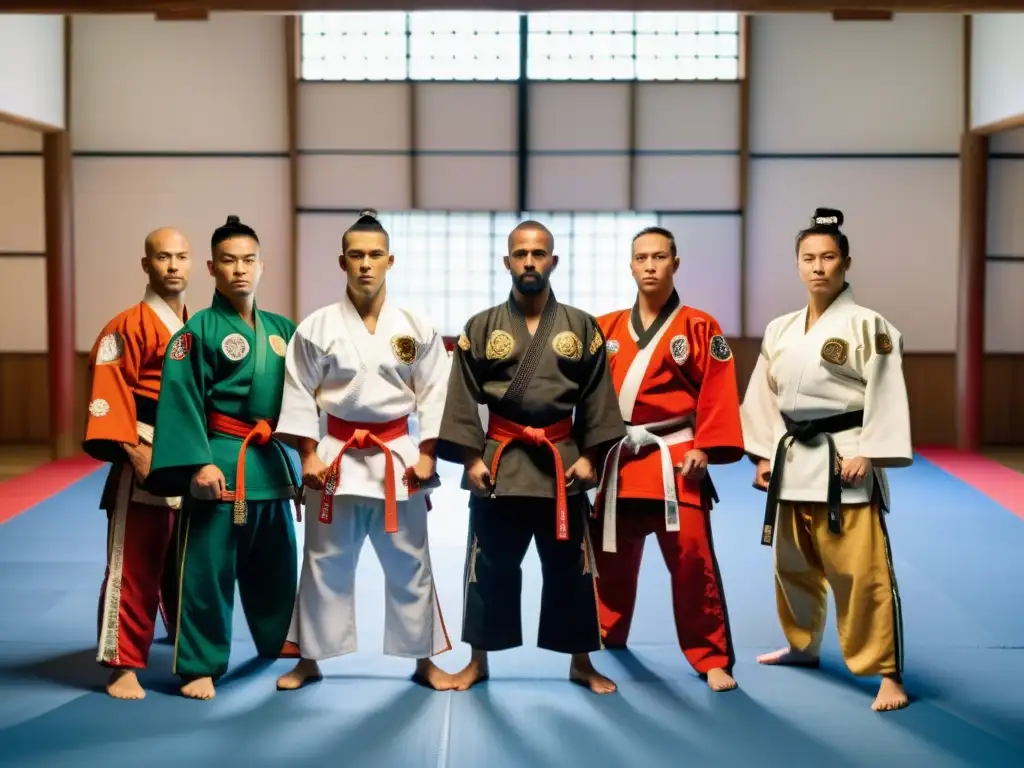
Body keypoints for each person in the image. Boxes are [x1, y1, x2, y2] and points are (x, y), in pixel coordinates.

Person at [436, 220, 627, 694]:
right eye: (520, 254)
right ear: (507, 262)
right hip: (500, 463)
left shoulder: (582, 326)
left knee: (572, 567)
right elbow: (460, 397)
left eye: (538, 254)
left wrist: (590, 457)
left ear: (552, 262)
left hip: (562, 464)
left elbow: (599, 399)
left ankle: (581, 661)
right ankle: (478, 661)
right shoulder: (480, 326)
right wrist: (470, 459)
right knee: (487, 565)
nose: (529, 262)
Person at [274, 210, 455, 692]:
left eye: (375, 255)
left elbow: (437, 392)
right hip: (335, 456)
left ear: (390, 260)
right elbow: (296, 392)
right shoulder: (317, 326)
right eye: (357, 255)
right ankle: (309, 659)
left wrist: (428, 455)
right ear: (343, 261)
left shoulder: (415, 325)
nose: (366, 265)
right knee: (322, 562)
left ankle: (425, 661)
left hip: (397, 456)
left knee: (411, 563)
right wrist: (307, 456)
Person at [740, 207, 913, 712]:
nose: (818, 267)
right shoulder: (780, 329)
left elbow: (886, 390)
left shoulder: (869, 325)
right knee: (792, 564)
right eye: (809, 258)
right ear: (797, 265)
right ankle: (802, 644)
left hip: (845, 462)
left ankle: (887, 673)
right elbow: (764, 396)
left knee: (862, 573)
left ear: (846, 263)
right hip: (793, 461)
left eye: (828, 257)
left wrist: (870, 451)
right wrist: (765, 454)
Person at [146, 215, 302, 701]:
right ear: (212, 268)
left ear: (262, 266)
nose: (241, 270)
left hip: (272, 464)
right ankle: (199, 663)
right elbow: (180, 398)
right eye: (230, 261)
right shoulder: (198, 330)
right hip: (220, 462)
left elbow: (307, 398)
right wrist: (197, 464)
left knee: (278, 563)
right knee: (208, 572)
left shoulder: (283, 330)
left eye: (249, 261)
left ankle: (280, 638)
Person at [587, 226, 744, 692]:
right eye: (641, 258)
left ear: (675, 263)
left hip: (674, 458)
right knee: (607, 556)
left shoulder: (700, 326)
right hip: (618, 459)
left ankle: (710, 656)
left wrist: (704, 447)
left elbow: (717, 391)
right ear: (630, 265)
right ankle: (605, 630)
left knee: (693, 562)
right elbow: (587, 398)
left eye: (659, 257)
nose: (650, 265)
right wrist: (588, 451)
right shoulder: (605, 327)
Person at [82, 227, 192, 700]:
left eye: (181, 257)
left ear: (193, 264)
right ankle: (122, 663)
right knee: (135, 562)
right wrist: (133, 449)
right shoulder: (126, 325)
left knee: (187, 557)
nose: (172, 266)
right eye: (162, 257)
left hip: (191, 451)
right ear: (145, 264)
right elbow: (108, 389)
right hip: (144, 445)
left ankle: (185, 640)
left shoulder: (198, 324)